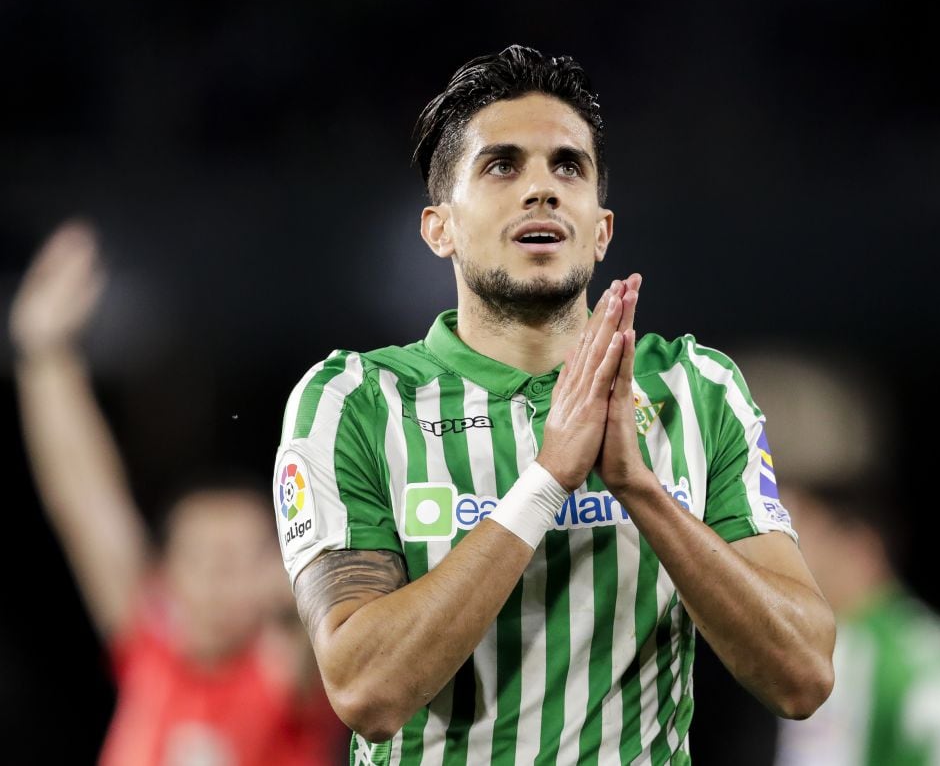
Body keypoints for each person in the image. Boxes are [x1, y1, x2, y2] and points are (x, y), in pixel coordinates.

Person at [275, 45, 836, 765]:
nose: (541, 188)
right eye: (502, 165)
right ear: (438, 227)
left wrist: (641, 490)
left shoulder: (697, 389)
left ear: (601, 229)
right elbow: (365, 690)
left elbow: (804, 674)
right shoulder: (354, 402)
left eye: (567, 166)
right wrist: (545, 480)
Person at [10, 221, 347, 766]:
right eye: (200, 557)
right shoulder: (151, 648)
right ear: (166, 574)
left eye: (238, 558)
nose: (217, 577)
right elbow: (85, 504)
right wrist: (45, 355)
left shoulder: (289, 673)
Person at [734, 350, 940, 766]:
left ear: (858, 543)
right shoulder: (848, 652)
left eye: (794, 532)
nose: (777, 552)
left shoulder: (893, 660)